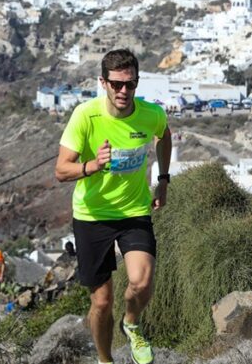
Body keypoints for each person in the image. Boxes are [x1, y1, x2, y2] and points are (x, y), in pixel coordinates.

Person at [55, 48, 172, 364]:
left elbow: (163, 135)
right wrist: (91, 166)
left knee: (142, 281)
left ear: (137, 83)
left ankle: (131, 323)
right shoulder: (85, 115)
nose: (123, 91)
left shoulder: (151, 114)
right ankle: (105, 360)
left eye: (129, 84)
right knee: (102, 302)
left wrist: (163, 179)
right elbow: (61, 170)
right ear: (103, 83)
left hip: (134, 211)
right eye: (116, 84)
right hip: (92, 216)